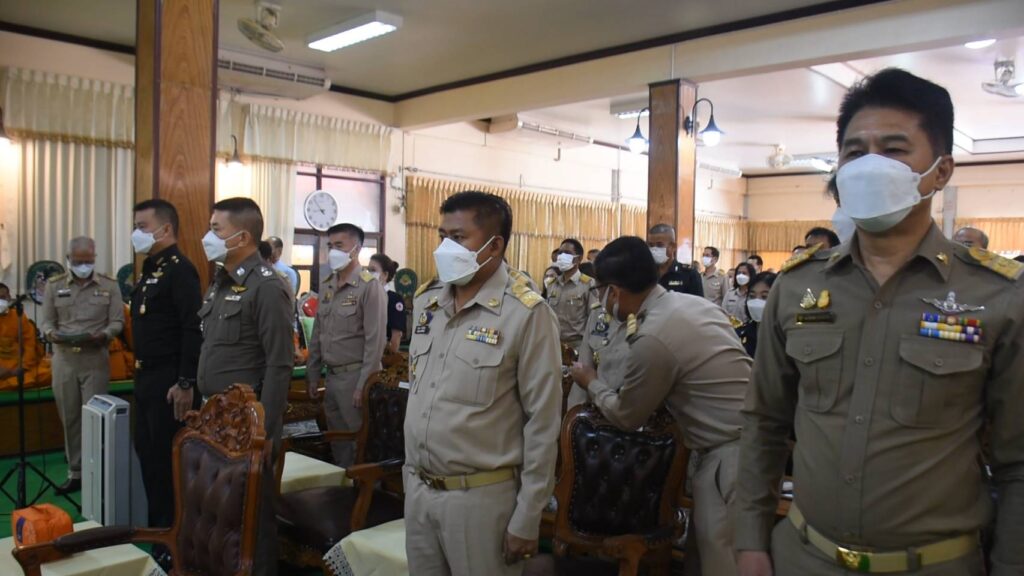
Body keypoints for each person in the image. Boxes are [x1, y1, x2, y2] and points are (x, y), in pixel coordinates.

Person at [736, 68, 1024, 576]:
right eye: (854, 152)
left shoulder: (997, 295)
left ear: (941, 171)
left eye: (893, 150)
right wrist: (749, 540)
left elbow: (1018, 462)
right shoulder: (797, 285)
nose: (870, 165)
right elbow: (765, 422)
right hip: (803, 556)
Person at [571, 236, 751, 576]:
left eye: (599, 291)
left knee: (724, 564)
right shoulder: (694, 305)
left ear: (614, 291)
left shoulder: (653, 336)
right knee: (705, 557)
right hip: (744, 446)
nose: (600, 300)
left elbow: (626, 416)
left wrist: (590, 381)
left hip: (730, 457)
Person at [405, 191, 561, 575]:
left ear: (494, 246)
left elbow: (542, 424)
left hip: (480, 499)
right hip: (420, 491)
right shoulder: (427, 303)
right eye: (442, 236)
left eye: (459, 238)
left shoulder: (526, 314)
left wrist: (528, 515)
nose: (445, 248)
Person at [196, 197, 294, 576]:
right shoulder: (221, 282)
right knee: (220, 510)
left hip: (246, 422)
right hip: (214, 416)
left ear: (242, 237)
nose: (208, 237)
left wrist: (263, 430)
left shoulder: (267, 287)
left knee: (252, 516)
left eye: (216, 229)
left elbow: (279, 363)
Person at [129, 199, 203, 542]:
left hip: (170, 382)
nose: (137, 233)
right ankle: (159, 529)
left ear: (166, 229)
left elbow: (192, 328)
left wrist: (185, 381)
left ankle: (174, 538)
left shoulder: (180, 270)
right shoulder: (150, 269)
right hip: (145, 378)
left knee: (167, 462)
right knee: (148, 455)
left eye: (142, 227)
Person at [40, 237, 124, 494]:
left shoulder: (109, 285)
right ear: (68, 259)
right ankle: (75, 472)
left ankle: (96, 471)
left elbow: (118, 321)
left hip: (95, 358)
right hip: (64, 360)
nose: (84, 266)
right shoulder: (54, 286)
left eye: (88, 261)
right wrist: (52, 334)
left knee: (95, 417)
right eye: (78, 261)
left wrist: (104, 334)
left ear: (95, 258)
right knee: (70, 418)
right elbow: (46, 322)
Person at [305, 223, 386, 466]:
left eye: (339, 245)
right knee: (337, 441)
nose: (333, 251)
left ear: (356, 249)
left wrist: (364, 384)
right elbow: (318, 333)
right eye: (330, 246)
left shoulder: (369, 286)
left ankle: (365, 489)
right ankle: (343, 485)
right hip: (331, 377)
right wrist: (312, 374)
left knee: (361, 444)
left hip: (355, 377)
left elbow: (375, 342)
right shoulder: (328, 284)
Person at [545, 238, 594, 350]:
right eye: (560, 253)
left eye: (567, 253)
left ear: (579, 259)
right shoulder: (552, 284)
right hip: (554, 344)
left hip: (577, 346)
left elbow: (593, 319)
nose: (562, 256)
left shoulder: (589, 285)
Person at [0, 283, 46, 390]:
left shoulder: (19, 316)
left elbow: (30, 345)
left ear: (9, 297)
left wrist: (23, 367)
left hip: (20, 368)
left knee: (49, 373)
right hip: (2, 370)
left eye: (3, 297)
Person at [648, 223, 704, 297]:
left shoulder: (689, 275)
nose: (654, 249)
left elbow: (697, 303)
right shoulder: (646, 273)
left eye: (660, 245)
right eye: (651, 245)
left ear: (673, 247)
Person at [369, 253, 405, 355]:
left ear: (385, 275)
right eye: (368, 270)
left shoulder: (394, 299)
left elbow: (396, 335)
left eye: (373, 270)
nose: (369, 274)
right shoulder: (367, 297)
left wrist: (389, 357)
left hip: (383, 353)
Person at [734, 272, 776, 358]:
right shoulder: (740, 333)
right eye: (752, 296)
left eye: (764, 297)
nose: (756, 302)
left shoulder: (786, 336)